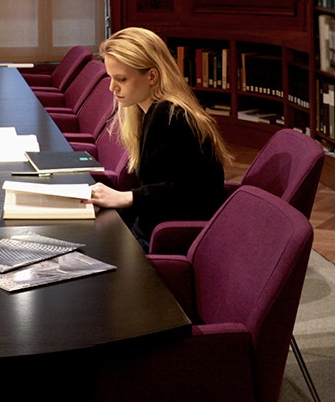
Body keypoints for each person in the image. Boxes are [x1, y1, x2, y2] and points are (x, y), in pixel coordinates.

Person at [86, 27, 233, 249]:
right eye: (110, 77)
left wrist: (125, 198)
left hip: (165, 239)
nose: (112, 87)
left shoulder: (169, 115)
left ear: (152, 76)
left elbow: (188, 193)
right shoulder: (153, 111)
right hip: (154, 229)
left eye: (122, 79)